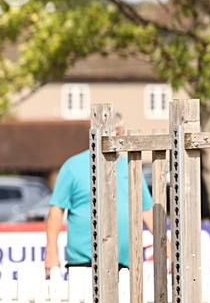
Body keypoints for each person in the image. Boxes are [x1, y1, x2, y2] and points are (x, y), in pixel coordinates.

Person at [45, 115, 153, 272]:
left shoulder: (131, 167)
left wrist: (167, 246)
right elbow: (56, 211)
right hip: (84, 261)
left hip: (126, 261)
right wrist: (51, 251)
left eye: (119, 131)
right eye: (111, 131)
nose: (116, 136)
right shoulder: (73, 166)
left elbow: (146, 210)